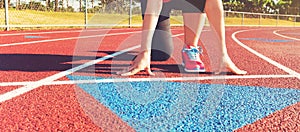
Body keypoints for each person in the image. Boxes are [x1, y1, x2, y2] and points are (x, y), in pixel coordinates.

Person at [117, 0, 247, 76]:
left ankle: (190, 48)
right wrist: (145, 51)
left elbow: (213, 5)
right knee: (160, 53)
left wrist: (222, 55)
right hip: (159, 3)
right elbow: (154, 5)